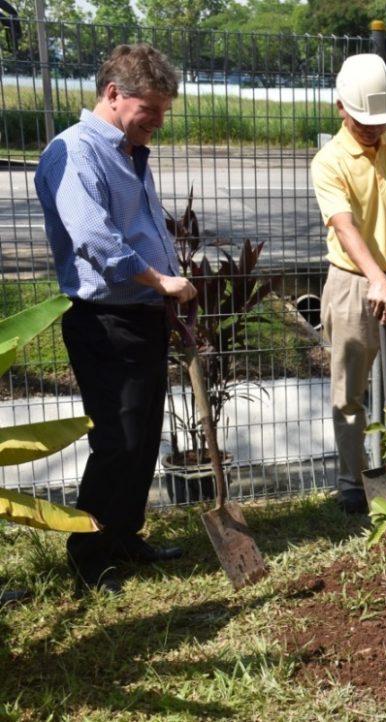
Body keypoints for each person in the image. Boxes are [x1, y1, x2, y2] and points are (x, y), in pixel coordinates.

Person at [34, 43, 197, 594]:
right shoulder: (74, 152)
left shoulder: (130, 151)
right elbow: (95, 239)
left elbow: (146, 232)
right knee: (118, 440)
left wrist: (167, 302)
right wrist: (161, 282)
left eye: (162, 111)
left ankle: (125, 536)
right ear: (113, 94)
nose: (157, 121)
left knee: (144, 435)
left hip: (143, 315)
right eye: (150, 109)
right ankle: (89, 555)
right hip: (103, 319)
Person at [311, 54, 386, 513]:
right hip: (351, 285)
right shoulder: (330, 161)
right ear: (339, 107)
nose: (373, 129)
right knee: (350, 390)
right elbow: (343, 226)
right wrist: (375, 277)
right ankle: (352, 480)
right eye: (364, 120)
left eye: (380, 121)